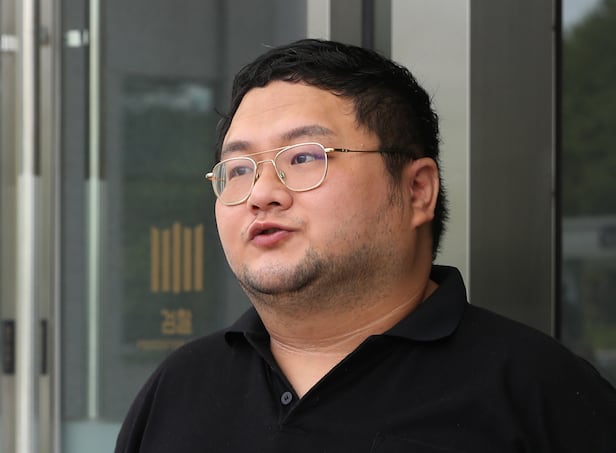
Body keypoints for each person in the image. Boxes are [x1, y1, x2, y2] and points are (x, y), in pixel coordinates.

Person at [115, 39, 616, 452]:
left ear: (417, 190)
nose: (262, 193)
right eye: (239, 169)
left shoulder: (539, 394)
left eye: (304, 158)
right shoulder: (180, 388)